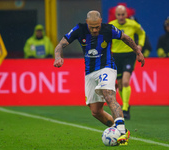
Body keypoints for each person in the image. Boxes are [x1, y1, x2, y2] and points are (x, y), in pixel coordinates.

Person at [53, 10, 145, 145]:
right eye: (92, 27)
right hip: (90, 72)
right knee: (96, 112)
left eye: (97, 27)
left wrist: (138, 52)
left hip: (107, 67)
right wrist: (58, 56)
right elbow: (61, 44)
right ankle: (121, 130)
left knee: (108, 94)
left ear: (101, 21)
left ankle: (121, 131)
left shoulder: (108, 29)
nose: (95, 30)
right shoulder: (79, 29)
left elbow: (126, 38)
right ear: (87, 23)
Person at [109, 5, 146, 120]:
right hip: (116, 55)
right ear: (116, 15)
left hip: (129, 54)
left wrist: (140, 45)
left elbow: (142, 33)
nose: (121, 17)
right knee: (119, 84)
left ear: (126, 14)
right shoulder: (111, 25)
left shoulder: (133, 24)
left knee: (125, 81)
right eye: (118, 15)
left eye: (123, 14)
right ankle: (126, 105)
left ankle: (125, 107)